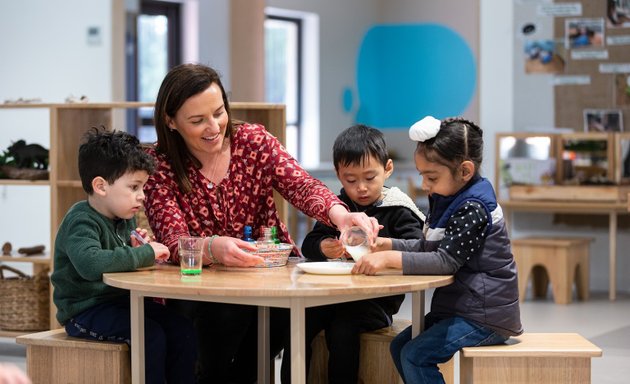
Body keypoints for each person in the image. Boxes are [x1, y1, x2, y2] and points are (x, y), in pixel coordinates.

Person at [142, 63, 379, 383]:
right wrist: (213, 247)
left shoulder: (253, 141)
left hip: (268, 277)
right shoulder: (159, 165)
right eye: (197, 121)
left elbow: (302, 186)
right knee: (217, 328)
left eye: (219, 112)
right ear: (170, 122)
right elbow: (173, 240)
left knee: (275, 330)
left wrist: (341, 215)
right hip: (202, 290)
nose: (214, 126)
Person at [352, 116, 523, 384]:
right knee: (399, 347)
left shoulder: (473, 207)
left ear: (465, 171)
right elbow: (428, 245)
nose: (424, 185)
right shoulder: (450, 196)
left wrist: (390, 258)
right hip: (464, 309)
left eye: (431, 176)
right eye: (423, 176)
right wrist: (389, 244)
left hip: (485, 317)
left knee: (415, 356)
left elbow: (445, 261)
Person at [50, 128, 197, 384]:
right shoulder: (81, 220)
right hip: (84, 312)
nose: (142, 196)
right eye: (134, 187)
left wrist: (135, 248)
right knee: (149, 336)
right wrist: (140, 254)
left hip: (120, 304)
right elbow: (91, 264)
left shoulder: (123, 218)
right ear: (101, 186)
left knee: (181, 329)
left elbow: (122, 256)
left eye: (143, 187)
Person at [280, 124, 425, 383]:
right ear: (338, 173)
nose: (361, 188)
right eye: (350, 180)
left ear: (387, 169)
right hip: (333, 295)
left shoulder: (399, 209)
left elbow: (417, 247)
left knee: (342, 328)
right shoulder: (339, 208)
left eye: (370, 178)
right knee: (298, 321)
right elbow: (310, 244)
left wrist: (381, 246)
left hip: (376, 301)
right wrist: (326, 247)